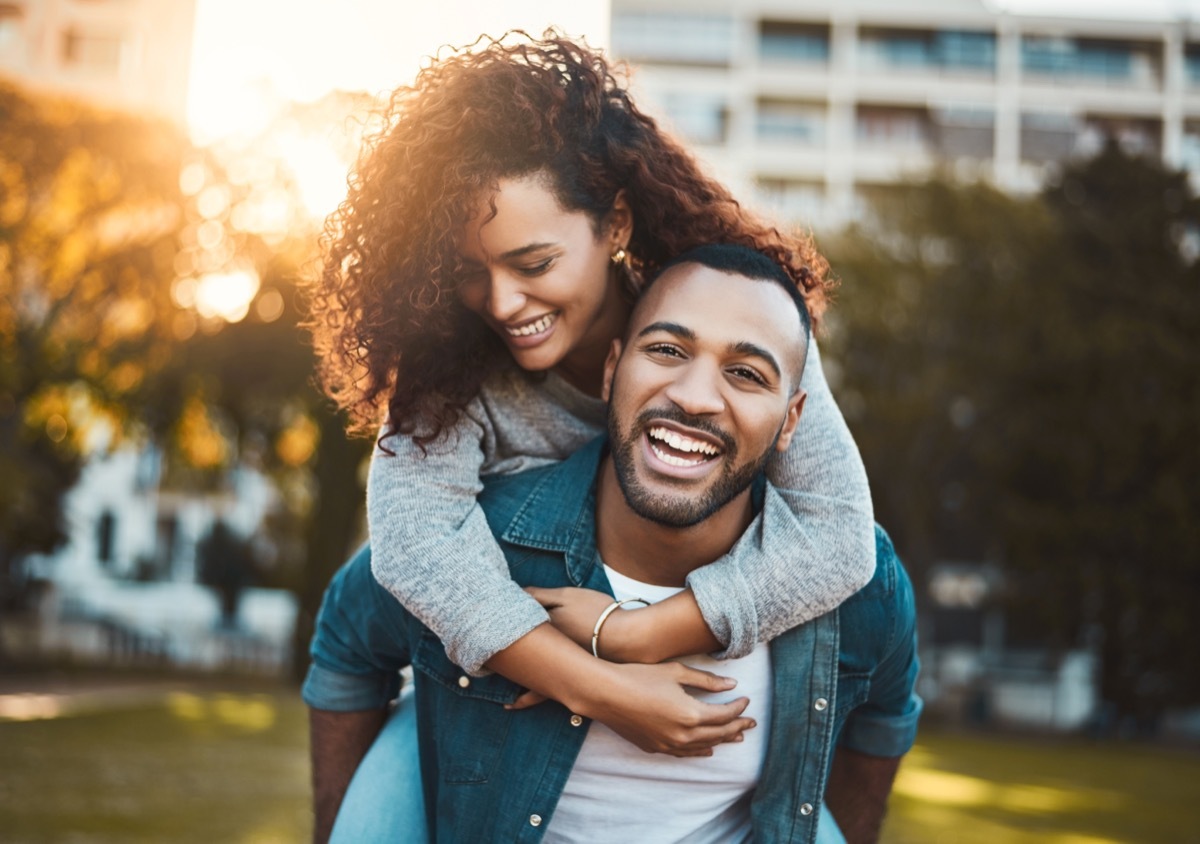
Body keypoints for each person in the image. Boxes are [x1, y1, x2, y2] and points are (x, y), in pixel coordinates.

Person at [306, 29, 877, 766]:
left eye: (533, 262)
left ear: (615, 223)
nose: (503, 303)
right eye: (469, 272)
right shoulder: (449, 367)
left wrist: (639, 632)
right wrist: (603, 687)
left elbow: (839, 534)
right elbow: (414, 545)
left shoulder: (730, 316)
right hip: (393, 645)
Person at [304, 245, 922, 843]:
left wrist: (627, 634)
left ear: (792, 420)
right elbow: (350, 634)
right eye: (666, 349)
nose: (695, 396)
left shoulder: (854, 586)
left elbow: (885, 716)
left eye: (745, 373)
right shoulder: (476, 547)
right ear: (611, 370)